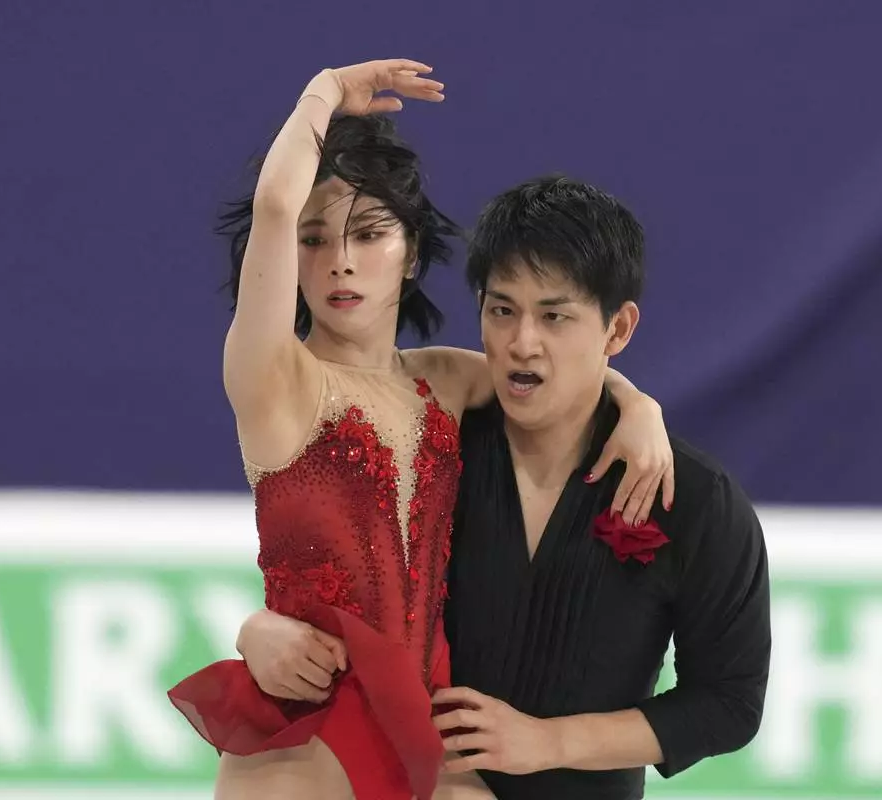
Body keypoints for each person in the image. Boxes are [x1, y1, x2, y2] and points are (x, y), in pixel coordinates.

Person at [166, 60, 677, 800]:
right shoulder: (277, 380)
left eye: (369, 233)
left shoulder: (441, 379)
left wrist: (639, 406)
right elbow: (275, 205)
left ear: (410, 252)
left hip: (431, 727)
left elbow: (559, 375)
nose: (341, 261)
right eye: (316, 240)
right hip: (306, 734)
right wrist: (326, 91)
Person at [239, 175, 772, 800]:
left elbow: (730, 703)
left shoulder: (695, 499)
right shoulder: (436, 446)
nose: (523, 344)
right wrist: (260, 630)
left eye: (554, 316)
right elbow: (342, 585)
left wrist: (551, 742)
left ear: (617, 330)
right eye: (502, 311)